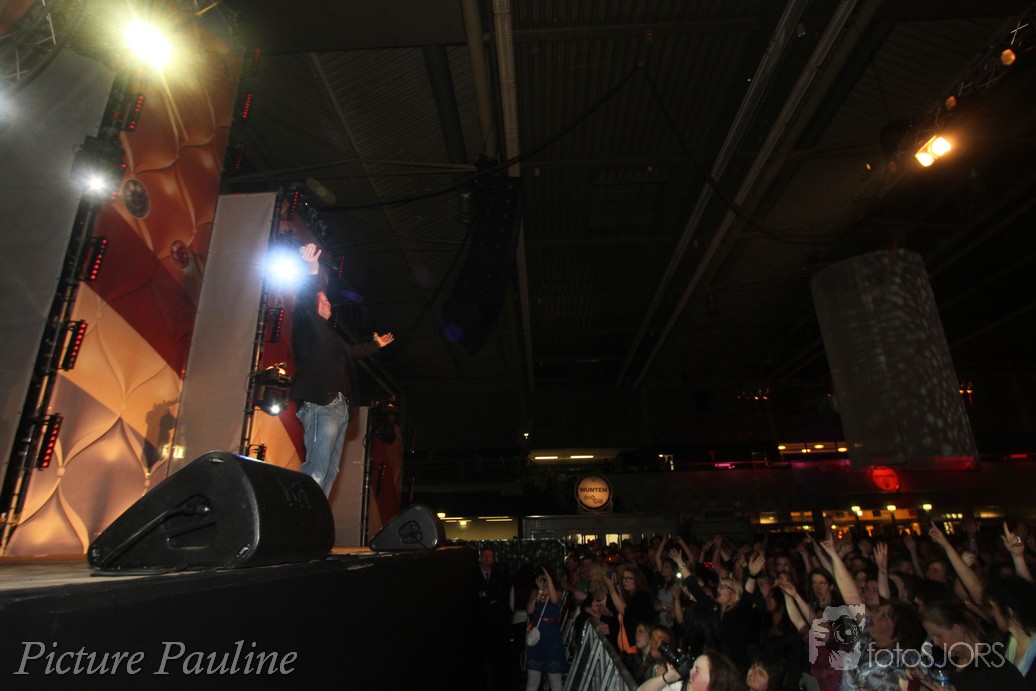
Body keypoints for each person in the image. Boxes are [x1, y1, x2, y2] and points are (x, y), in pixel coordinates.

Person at [290, 243, 394, 496]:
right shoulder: (308, 325)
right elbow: (305, 298)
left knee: (330, 471)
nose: (328, 303)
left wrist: (376, 345)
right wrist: (311, 270)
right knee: (317, 468)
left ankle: (316, 515)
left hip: (339, 407)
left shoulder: (333, 338)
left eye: (327, 299)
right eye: (323, 300)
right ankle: (302, 513)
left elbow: (353, 351)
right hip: (320, 403)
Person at [525, 565, 568, 691]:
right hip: (537, 638)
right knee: (532, 681)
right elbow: (529, 610)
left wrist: (549, 581)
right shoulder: (535, 592)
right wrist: (539, 592)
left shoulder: (557, 592)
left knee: (555, 680)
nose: (542, 580)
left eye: (544, 578)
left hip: (552, 638)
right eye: (540, 578)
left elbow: (555, 600)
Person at [637, 648, 747, 691]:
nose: (690, 671)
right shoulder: (683, 687)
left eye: (697, 671)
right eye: (692, 667)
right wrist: (668, 677)